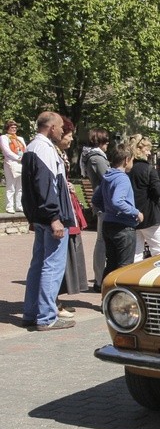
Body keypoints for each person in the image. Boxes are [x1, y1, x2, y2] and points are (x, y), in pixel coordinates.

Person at [20, 111, 76, 331]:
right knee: (52, 266)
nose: (63, 130)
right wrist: (55, 217)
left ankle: (31, 312)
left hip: (42, 216)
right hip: (51, 217)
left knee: (38, 265)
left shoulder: (33, 147)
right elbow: (46, 187)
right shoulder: (44, 149)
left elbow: (34, 188)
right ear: (52, 127)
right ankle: (46, 316)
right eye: (61, 126)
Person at [92, 144, 143, 279]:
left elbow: (96, 199)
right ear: (126, 160)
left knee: (111, 265)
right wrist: (135, 212)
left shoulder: (107, 176)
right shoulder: (122, 178)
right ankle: (120, 299)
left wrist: (108, 210)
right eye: (132, 160)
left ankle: (106, 297)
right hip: (123, 227)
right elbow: (117, 201)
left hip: (108, 224)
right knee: (124, 267)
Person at [56, 117, 88, 318]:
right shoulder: (52, 152)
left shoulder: (61, 153)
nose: (71, 139)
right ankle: (53, 302)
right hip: (60, 210)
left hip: (68, 205)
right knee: (58, 258)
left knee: (68, 253)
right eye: (68, 135)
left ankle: (56, 300)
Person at [127, 134, 160, 262]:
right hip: (149, 215)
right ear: (140, 150)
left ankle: (134, 280)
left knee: (136, 254)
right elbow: (159, 192)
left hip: (132, 215)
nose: (149, 153)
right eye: (148, 149)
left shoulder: (127, 168)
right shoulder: (148, 169)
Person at [80, 127, 110, 292]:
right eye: (105, 141)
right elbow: (109, 177)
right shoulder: (96, 158)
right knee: (102, 242)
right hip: (104, 203)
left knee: (102, 241)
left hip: (102, 202)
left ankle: (99, 277)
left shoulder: (94, 156)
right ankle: (99, 278)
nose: (107, 145)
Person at [1, 119, 26, 213]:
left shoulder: (20, 138)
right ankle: (9, 206)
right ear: (7, 128)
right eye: (12, 127)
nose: (14, 129)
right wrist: (18, 158)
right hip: (10, 163)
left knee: (20, 187)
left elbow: (25, 149)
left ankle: (19, 206)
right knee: (11, 186)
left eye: (15, 127)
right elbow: (6, 151)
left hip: (21, 164)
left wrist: (25, 158)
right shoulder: (4, 137)